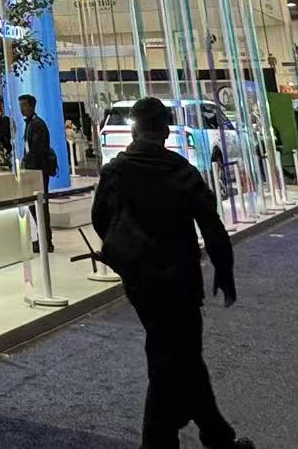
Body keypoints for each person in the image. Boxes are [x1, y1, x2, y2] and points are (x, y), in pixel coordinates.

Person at [93, 96, 253, 449]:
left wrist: (124, 252)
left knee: (175, 356)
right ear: (165, 130)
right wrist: (223, 267)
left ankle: (211, 435)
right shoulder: (180, 170)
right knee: (177, 356)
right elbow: (210, 223)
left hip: (141, 281)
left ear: (134, 129)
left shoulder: (116, 172)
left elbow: (100, 219)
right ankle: (180, 440)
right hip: (180, 279)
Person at [20, 93, 57, 253]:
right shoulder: (30, 124)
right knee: (35, 206)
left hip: (38, 172)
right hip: (32, 171)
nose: (22, 108)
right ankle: (42, 238)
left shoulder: (37, 124)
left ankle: (46, 240)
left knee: (40, 206)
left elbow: (37, 150)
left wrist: (27, 163)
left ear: (31, 106)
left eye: (24, 105)